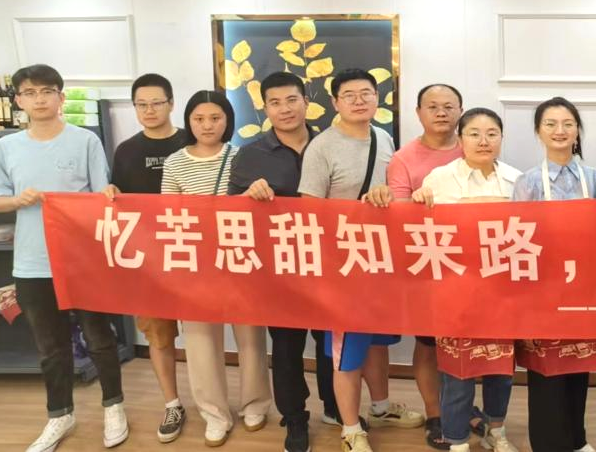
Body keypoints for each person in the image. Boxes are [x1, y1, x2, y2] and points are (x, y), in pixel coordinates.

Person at [0, 64, 128, 452]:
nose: (40, 99)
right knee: (50, 347)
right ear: (18, 100)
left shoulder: (86, 141)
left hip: (84, 259)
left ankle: (114, 406)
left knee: (100, 339)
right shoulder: (5, 147)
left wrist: (109, 193)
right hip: (32, 262)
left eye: (47, 91)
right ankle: (60, 414)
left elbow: (102, 195)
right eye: (30, 93)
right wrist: (17, 200)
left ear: (61, 97)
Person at [298, 68, 423, 452]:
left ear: (377, 99)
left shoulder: (384, 138)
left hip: (382, 262)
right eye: (349, 95)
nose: (358, 100)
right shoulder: (321, 147)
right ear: (335, 102)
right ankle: (351, 428)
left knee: (377, 341)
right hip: (344, 266)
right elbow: (310, 212)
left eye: (366, 93)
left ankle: (381, 408)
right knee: (347, 352)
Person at [226, 71, 335, 452]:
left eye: (292, 100)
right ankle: (295, 418)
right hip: (281, 266)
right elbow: (230, 212)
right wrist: (248, 197)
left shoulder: (331, 143)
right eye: (275, 102)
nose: (285, 109)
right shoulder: (250, 154)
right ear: (265, 107)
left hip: (331, 263)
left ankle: (335, 405)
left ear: (306, 101)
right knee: (287, 346)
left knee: (331, 341)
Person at [160, 90, 271, 447]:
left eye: (215, 118)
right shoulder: (174, 162)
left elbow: (258, 211)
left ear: (227, 120)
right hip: (194, 262)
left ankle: (255, 404)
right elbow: (167, 213)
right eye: (199, 119)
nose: (207, 125)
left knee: (250, 337)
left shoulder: (244, 156)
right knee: (200, 341)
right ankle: (214, 413)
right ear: (188, 121)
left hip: (239, 258)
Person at [411, 107, 524, 452]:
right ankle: (457, 440)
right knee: (457, 373)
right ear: (460, 139)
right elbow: (421, 232)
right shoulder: (438, 179)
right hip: (455, 292)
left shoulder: (518, 180)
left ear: (502, 139)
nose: (483, 140)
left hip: (503, 292)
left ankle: (496, 431)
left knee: (500, 369)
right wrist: (417, 202)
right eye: (474, 133)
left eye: (492, 133)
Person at [509, 97, 596, 452]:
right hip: (544, 290)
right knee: (546, 371)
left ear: (577, 131)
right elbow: (519, 239)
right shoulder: (527, 182)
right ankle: (548, 444)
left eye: (567, 124)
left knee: (578, 365)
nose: (559, 131)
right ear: (539, 132)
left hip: (585, 288)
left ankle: (577, 440)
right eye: (550, 124)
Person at [107, 73, 188, 443]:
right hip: (149, 261)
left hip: (195, 253)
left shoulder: (193, 139)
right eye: (142, 104)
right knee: (159, 335)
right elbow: (117, 200)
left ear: (171, 103)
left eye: (157, 102)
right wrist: (110, 192)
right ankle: (172, 404)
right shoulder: (126, 150)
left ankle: (214, 404)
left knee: (205, 335)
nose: (150, 110)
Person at [386, 83, 465, 448]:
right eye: (432, 106)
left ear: (460, 110)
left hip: (472, 264)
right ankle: (435, 414)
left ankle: (461, 409)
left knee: (465, 340)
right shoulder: (404, 158)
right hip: (427, 261)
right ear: (418, 113)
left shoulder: (473, 144)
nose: (441, 112)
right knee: (430, 343)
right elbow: (397, 214)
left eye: (449, 106)